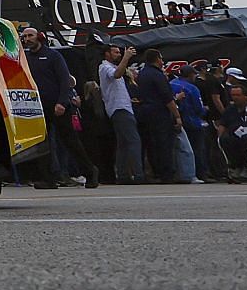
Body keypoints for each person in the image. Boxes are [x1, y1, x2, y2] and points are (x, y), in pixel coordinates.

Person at [24, 28, 96, 190]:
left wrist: (62, 102)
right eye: (25, 36)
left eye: (30, 35)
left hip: (58, 106)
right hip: (38, 108)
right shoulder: (26, 58)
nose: (27, 39)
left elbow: (65, 80)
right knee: (42, 144)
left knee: (70, 141)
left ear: (40, 37)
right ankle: (49, 179)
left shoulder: (53, 56)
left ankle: (90, 172)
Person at [131, 48, 178, 183]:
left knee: (151, 145)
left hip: (144, 113)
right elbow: (167, 98)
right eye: (161, 58)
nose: (162, 61)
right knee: (164, 144)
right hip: (159, 114)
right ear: (157, 59)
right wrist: (177, 115)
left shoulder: (142, 74)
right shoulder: (158, 75)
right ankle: (166, 174)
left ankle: (155, 172)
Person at [97, 44, 142, 184]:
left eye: (119, 52)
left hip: (122, 107)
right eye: (115, 52)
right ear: (107, 54)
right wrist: (127, 57)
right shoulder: (105, 67)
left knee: (123, 144)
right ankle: (138, 174)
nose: (118, 54)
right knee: (133, 141)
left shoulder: (113, 67)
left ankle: (123, 175)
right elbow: (116, 75)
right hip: (119, 108)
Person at [170, 63, 209, 184]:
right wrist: (205, 109)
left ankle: (180, 173)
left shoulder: (171, 84)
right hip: (192, 122)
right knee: (197, 149)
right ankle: (199, 174)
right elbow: (198, 108)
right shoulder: (192, 88)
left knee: (178, 150)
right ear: (191, 75)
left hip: (175, 121)